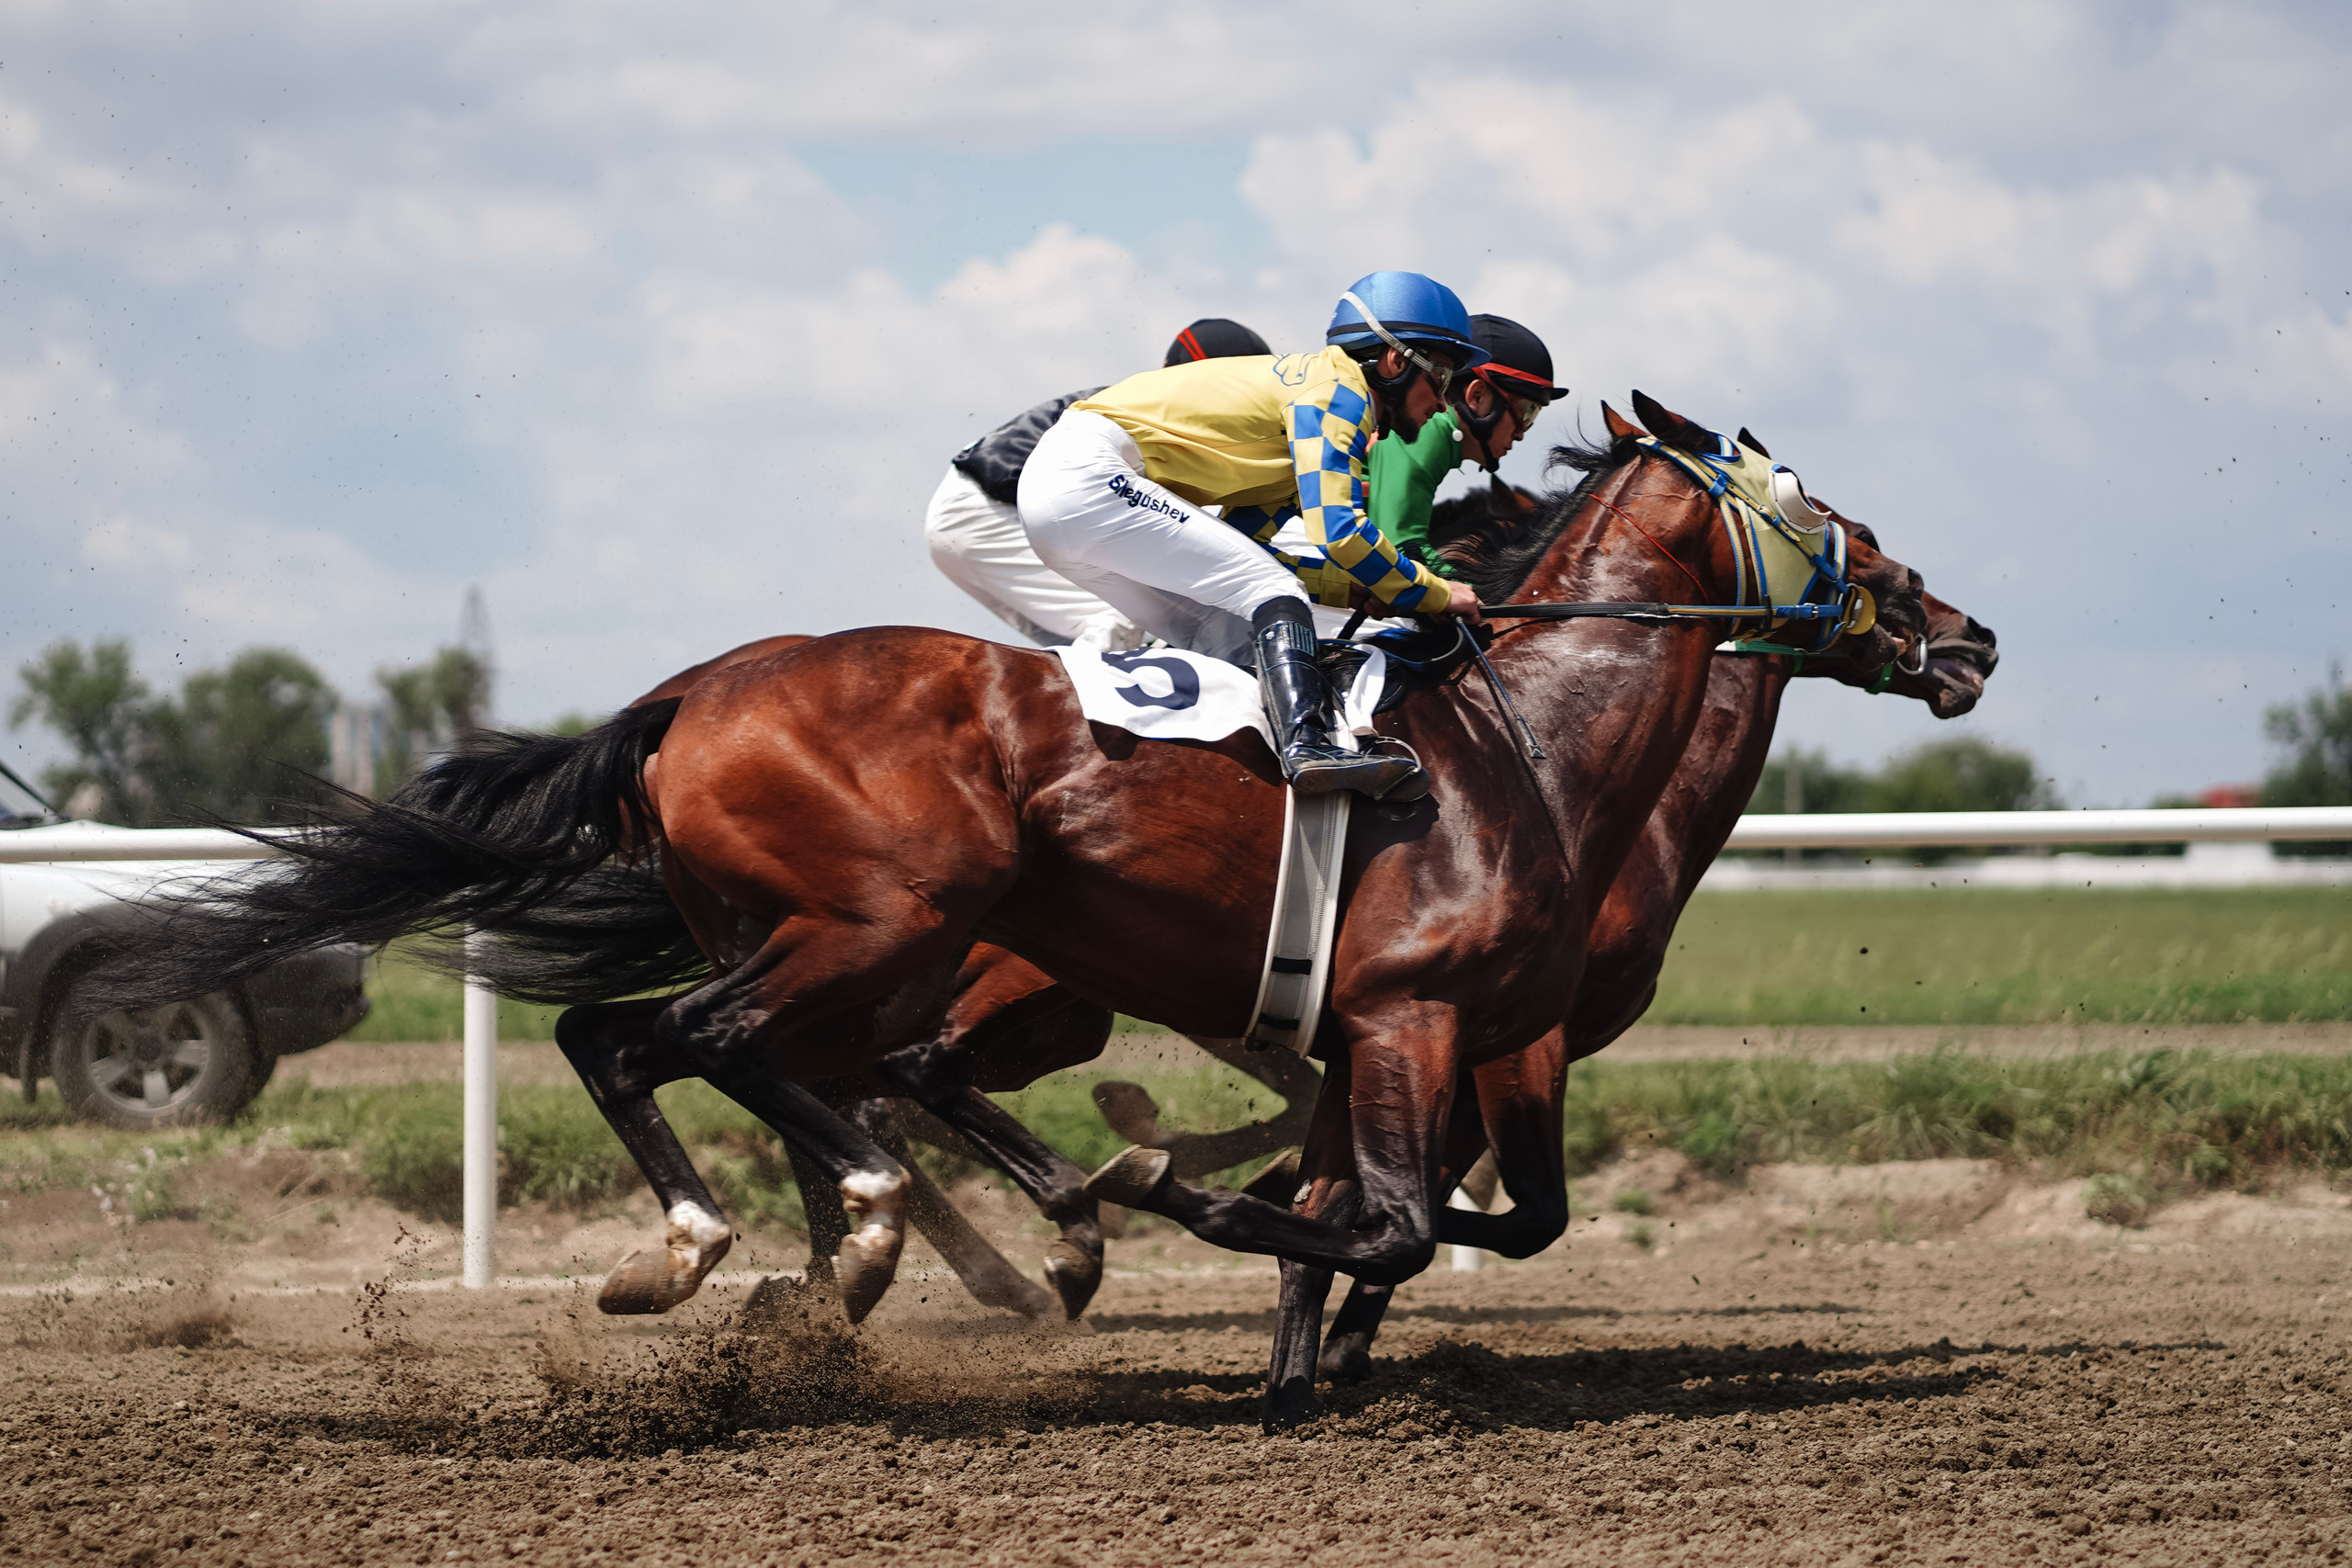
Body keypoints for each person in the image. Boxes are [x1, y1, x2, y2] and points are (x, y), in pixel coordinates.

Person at [1018, 272, 1487, 799]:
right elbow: (1339, 532)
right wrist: (1437, 592)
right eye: (1443, 378)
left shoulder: (1302, 426)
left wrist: (1350, 589)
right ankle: (1308, 748)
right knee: (1272, 593)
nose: (1444, 404)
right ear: (1396, 362)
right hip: (1086, 477)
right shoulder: (1339, 392)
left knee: (1224, 627)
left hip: (1061, 501)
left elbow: (1247, 551)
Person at [924, 320, 1272, 651]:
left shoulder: (1139, 397)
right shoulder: (1174, 414)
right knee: (1129, 620)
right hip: (994, 517)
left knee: (1107, 647)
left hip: (968, 513)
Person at [1368, 314, 1567, 574]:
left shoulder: (1436, 435)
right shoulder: (1429, 431)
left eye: (1533, 417)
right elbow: (1401, 547)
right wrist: (1479, 596)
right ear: (1477, 395)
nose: (1521, 433)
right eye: (1526, 411)